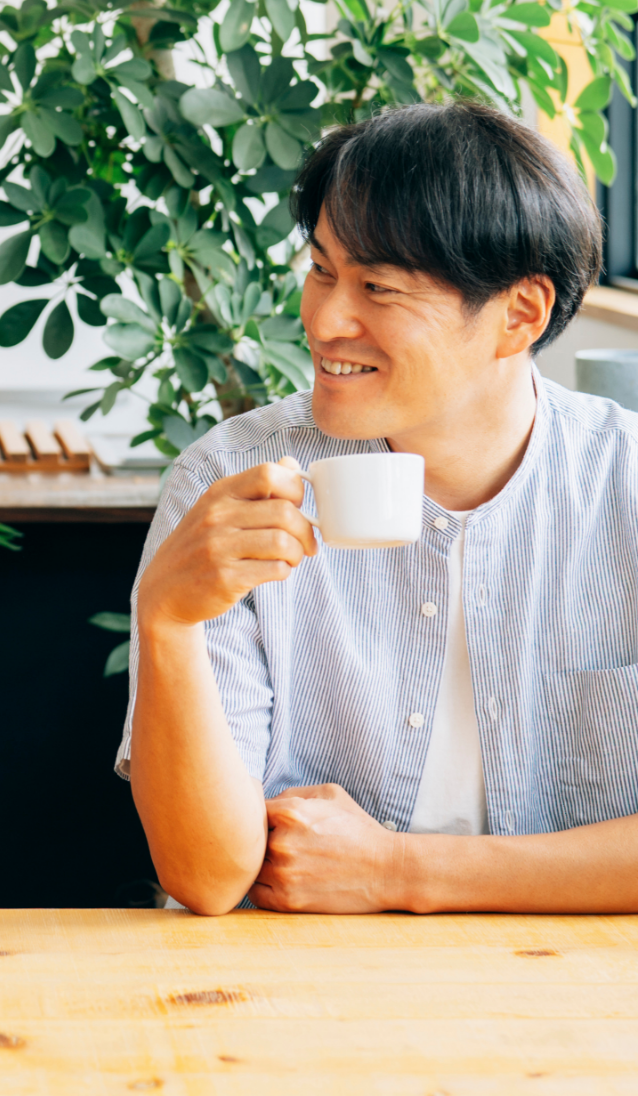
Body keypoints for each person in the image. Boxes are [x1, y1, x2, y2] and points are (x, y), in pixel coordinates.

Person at [119, 99, 638, 916]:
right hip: (295, 996)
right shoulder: (231, 477)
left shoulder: (626, 487)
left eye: (378, 287)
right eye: (322, 269)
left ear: (520, 315)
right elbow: (210, 879)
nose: (324, 320)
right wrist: (167, 622)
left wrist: (400, 872)